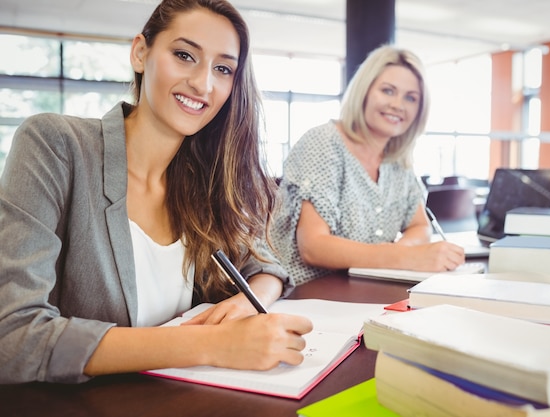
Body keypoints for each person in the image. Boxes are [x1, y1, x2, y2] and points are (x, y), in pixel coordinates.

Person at [0, 0, 313, 384]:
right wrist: (213, 343)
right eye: (184, 55)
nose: (203, 84)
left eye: (223, 69)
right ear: (140, 52)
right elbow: (13, 337)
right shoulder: (56, 145)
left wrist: (255, 298)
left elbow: (265, 266)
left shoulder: (200, 178)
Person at [271, 45, 465, 285]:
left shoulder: (399, 160)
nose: (398, 105)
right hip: (298, 294)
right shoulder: (323, 142)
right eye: (388, 91)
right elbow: (313, 246)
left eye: (411, 97)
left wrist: (407, 254)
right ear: (364, 92)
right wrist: (404, 257)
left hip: (363, 289)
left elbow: (420, 227)